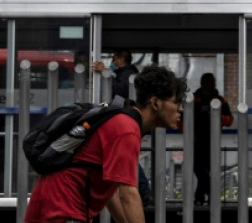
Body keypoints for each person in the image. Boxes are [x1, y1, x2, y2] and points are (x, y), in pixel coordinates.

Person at [25, 65, 186, 223]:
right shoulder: (126, 129)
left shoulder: (123, 122)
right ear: (156, 103)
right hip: (62, 211)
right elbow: (128, 194)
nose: (180, 109)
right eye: (177, 102)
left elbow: (112, 190)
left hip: (55, 207)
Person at [92, 49, 151, 203]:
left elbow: (119, 91)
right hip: (128, 119)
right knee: (126, 156)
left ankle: (144, 192)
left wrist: (105, 72)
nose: (113, 63)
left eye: (114, 60)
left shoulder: (127, 75)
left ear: (119, 60)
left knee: (126, 156)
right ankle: (143, 191)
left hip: (125, 118)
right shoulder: (128, 74)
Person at [189, 72, 233, 205]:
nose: (208, 85)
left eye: (211, 82)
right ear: (202, 83)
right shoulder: (193, 99)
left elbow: (229, 119)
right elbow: (183, 119)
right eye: (206, 82)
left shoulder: (220, 100)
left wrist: (215, 118)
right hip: (196, 140)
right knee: (198, 169)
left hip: (212, 141)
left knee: (208, 170)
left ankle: (200, 198)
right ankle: (210, 195)